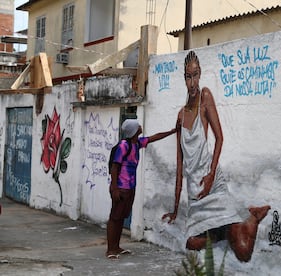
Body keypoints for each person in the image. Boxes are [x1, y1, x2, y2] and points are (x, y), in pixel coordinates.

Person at [162, 51, 270, 262]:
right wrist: (175, 209)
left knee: (244, 254)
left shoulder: (205, 97)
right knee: (192, 243)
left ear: (200, 74)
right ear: (183, 78)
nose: (192, 82)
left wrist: (211, 175)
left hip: (212, 184)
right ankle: (227, 227)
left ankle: (252, 218)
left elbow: (220, 138)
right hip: (195, 194)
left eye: (195, 75)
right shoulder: (180, 116)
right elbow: (180, 165)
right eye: (187, 76)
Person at [107, 119, 176, 259]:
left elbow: (154, 137)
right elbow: (115, 167)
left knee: (121, 217)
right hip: (121, 188)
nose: (140, 126)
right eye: (138, 126)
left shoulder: (136, 143)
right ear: (133, 130)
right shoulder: (123, 146)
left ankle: (117, 247)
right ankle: (110, 249)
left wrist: (172, 131)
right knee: (115, 217)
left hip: (130, 188)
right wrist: (114, 188)